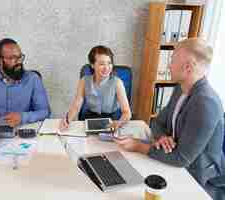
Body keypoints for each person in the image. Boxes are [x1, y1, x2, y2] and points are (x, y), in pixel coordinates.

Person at [114, 38, 225, 199]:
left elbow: (182, 159)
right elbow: (157, 122)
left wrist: (139, 147)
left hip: (200, 180)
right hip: (174, 161)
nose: (168, 65)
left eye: (172, 60)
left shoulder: (205, 102)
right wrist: (163, 137)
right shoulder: (181, 88)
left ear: (187, 67)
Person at [59, 45, 131, 131]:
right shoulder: (84, 81)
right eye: (101, 64)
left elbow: (127, 113)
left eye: (109, 63)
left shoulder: (117, 82)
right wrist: (67, 120)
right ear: (92, 65)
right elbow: (76, 105)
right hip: (90, 118)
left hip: (112, 119)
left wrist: (119, 123)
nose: (106, 68)